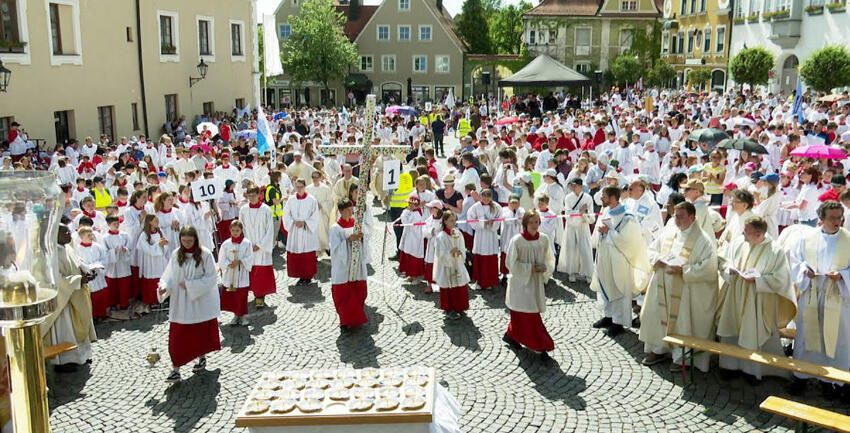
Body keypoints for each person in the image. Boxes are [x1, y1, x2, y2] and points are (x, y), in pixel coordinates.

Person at [639, 202, 720, 372]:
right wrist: (657, 259)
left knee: (683, 322)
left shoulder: (703, 240)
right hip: (662, 285)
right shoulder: (670, 232)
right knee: (658, 316)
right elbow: (651, 249)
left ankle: (681, 357)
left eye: (680, 216)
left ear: (692, 217)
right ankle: (659, 349)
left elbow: (710, 267)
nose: (676, 220)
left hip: (686, 290)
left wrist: (684, 271)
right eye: (675, 215)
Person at [716, 216, 796, 382]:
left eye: (747, 232)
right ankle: (729, 367)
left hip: (758, 301)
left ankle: (752, 372)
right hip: (735, 296)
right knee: (732, 329)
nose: (743, 234)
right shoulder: (739, 242)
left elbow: (781, 279)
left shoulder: (775, 250)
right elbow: (723, 260)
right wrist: (729, 269)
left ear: (759, 234)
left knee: (752, 331)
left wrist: (759, 280)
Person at [788, 200, 850, 398]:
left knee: (835, 340)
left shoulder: (848, 240)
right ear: (821, 219)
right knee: (807, 337)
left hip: (838, 297)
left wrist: (842, 276)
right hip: (812, 295)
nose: (837, 222)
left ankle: (830, 382)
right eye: (832, 218)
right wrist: (805, 272)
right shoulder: (807, 239)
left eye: (840, 217)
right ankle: (801, 377)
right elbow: (795, 262)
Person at [158, 226, 221, 383]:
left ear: (196, 239)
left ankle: (201, 358)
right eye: (183, 240)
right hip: (181, 304)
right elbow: (169, 275)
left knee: (199, 335)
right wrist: (164, 287)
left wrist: (191, 285)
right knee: (177, 338)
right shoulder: (176, 254)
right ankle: (175, 369)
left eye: (190, 240)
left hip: (199, 303)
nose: (186, 243)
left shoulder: (205, 254)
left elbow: (212, 278)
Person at [591, 186, 650, 337]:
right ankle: (608, 316)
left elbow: (629, 241)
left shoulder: (627, 217)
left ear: (613, 197)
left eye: (603, 195)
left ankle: (619, 322)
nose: (601, 198)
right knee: (605, 285)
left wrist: (609, 232)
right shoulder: (605, 211)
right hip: (604, 257)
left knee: (618, 289)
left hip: (619, 261)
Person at [502, 210, 556, 362]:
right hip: (520, 284)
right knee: (526, 315)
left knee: (529, 313)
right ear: (525, 223)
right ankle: (540, 345)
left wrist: (544, 267)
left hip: (535, 282)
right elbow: (510, 263)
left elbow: (549, 259)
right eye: (531, 222)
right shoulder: (517, 240)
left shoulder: (543, 239)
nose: (534, 225)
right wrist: (529, 268)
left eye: (537, 222)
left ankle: (511, 335)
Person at [41, 224, 97, 372]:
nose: (69, 234)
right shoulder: (50, 253)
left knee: (78, 327)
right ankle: (64, 360)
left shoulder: (68, 248)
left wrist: (88, 271)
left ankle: (82, 355)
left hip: (76, 295)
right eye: (64, 232)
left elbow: (78, 263)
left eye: (68, 231)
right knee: (65, 330)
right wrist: (79, 280)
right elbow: (56, 280)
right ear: (55, 235)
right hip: (63, 302)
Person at [329, 199, 369, 331]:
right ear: (340, 211)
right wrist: (347, 240)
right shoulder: (335, 228)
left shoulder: (357, 225)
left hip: (357, 265)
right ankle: (345, 320)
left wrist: (362, 238)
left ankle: (357, 317)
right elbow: (334, 250)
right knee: (344, 294)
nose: (350, 212)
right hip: (343, 266)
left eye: (351, 210)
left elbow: (366, 239)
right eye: (347, 210)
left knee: (359, 291)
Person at [239, 186, 276, 307]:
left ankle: (260, 295)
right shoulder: (243, 210)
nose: (252, 198)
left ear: (259, 195)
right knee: (250, 270)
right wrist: (245, 243)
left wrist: (260, 245)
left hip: (261, 247)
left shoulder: (266, 209)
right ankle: (254, 293)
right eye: (249, 196)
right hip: (248, 245)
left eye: (254, 195)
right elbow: (240, 228)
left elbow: (270, 229)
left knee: (261, 272)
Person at [283, 178, 321, 286]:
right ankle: (300, 275)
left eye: (301, 187)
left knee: (307, 254)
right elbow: (286, 214)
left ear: (305, 186)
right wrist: (293, 222)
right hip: (295, 230)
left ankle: (308, 276)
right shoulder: (291, 199)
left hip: (307, 230)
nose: (299, 189)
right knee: (297, 254)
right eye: (297, 187)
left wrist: (305, 222)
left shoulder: (311, 199)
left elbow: (315, 215)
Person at [433, 212, 470, 320]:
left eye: (455, 220)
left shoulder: (458, 233)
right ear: (445, 221)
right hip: (446, 266)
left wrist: (460, 252)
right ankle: (449, 309)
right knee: (448, 286)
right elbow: (440, 253)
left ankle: (460, 307)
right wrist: (450, 252)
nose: (453, 223)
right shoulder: (441, 236)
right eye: (451, 221)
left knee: (459, 284)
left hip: (457, 263)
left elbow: (462, 247)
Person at [558, 178, 595, 282]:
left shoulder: (588, 198)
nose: (573, 187)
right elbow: (567, 214)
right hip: (571, 227)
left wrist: (585, 212)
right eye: (572, 185)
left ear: (581, 186)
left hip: (583, 226)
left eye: (575, 185)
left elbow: (592, 216)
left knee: (586, 249)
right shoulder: (568, 198)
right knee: (571, 249)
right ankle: (571, 272)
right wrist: (580, 211)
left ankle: (588, 273)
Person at [218, 220, 253, 326]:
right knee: (233, 297)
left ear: (241, 230)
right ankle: (235, 315)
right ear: (230, 230)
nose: (235, 233)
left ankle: (243, 316)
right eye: (233, 230)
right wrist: (228, 263)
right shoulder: (226, 244)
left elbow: (250, 257)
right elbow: (221, 258)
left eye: (237, 230)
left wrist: (241, 261)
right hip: (231, 274)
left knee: (241, 295)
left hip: (241, 274)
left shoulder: (247, 243)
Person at [467, 189, 501, 290]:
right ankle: (479, 281)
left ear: (491, 197)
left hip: (491, 236)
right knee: (480, 258)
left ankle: (491, 281)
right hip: (481, 236)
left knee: (490, 258)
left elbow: (499, 219)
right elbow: (470, 219)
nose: (486, 199)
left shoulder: (496, 206)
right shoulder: (476, 207)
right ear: (481, 196)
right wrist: (482, 223)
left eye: (488, 196)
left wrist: (493, 223)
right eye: (484, 196)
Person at [137, 214, 169, 308]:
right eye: (155, 221)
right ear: (150, 222)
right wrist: (158, 245)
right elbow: (146, 249)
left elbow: (165, 243)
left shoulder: (160, 231)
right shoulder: (144, 235)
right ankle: (153, 300)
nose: (157, 222)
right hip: (150, 261)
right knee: (152, 278)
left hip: (160, 260)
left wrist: (164, 244)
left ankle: (164, 298)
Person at [103, 216, 133, 310]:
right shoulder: (105, 237)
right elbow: (104, 252)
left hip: (123, 263)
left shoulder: (124, 235)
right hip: (112, 265)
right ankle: (113, 304)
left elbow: (130, 247)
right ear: (108, 225)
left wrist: (126, 250)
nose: (116, 226)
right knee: (112, 285)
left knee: (124, 284)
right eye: (114, 224)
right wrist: (113, 252)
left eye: (117, 223)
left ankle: (124, 303)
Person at [398, 195, 427, 278]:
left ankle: (415, 276)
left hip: (414, 239)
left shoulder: (417, 214)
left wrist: (406, 212)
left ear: (417, 205)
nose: (410, 205)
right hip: (409, 237)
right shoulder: (412, 212)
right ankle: (409, 274)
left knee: (414, 258)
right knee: (408, 256)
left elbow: (405, 222)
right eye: (409, 203)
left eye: (412, 204)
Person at [499, 195, 525, 284]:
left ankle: (516, 274)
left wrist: (516, 211)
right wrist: (512, 211)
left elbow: (520, 221)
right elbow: (508, 221)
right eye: (512, 202)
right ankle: (505, 275)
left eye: (515, 202)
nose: (514, 204)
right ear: (508, 202)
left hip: (517, 236)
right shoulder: (504, 210)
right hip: (507, 237)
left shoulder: (521, 210)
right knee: (505, 255)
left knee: (517, 255)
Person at [306, 171, 332, 255]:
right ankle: (315, 251)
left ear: (320, 178)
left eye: (317, 177)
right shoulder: (308, 188)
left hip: (322, 213)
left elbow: (330, 201)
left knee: (323, 231)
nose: (315, 179)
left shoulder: (326, 188)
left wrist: (322, 205)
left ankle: (326, 246)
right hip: (312, 214)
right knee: (314, 232)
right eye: (313, 177)